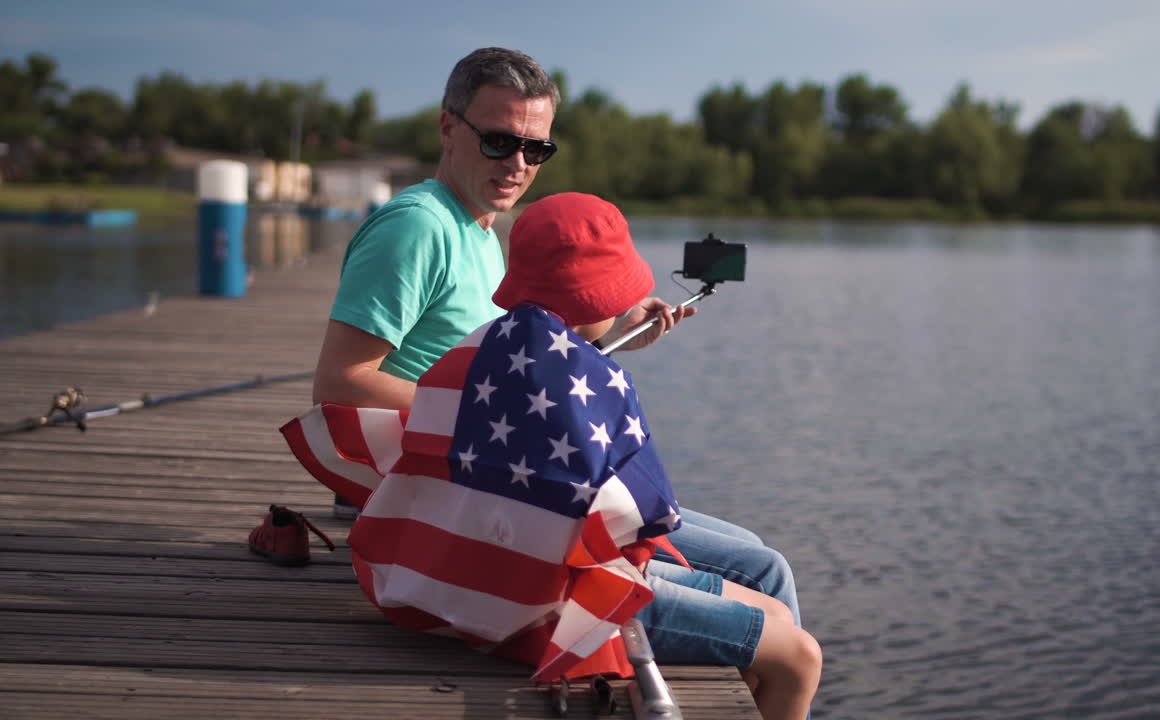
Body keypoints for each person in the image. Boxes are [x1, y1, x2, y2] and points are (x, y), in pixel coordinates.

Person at [309, 46, 803, 637]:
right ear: (448, 128)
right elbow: (339, 384)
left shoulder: (482, 230)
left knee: (749, 548)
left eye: (536, 148)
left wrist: (612, 336)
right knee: (764, 571)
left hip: (496, 478)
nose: (518, 163)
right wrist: (492, 420)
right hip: (457, 495)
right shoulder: (418, 227)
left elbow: (506, 375)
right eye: (499, 141)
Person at [287, 192, 820, 720]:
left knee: (765, 591)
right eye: (611, 297)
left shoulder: (479, 353)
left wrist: (613, 334)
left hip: (466, 569)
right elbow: (632, 519)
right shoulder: (568, 398)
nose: (617, 307)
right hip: (543, 603)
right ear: (591, 299)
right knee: (797, 650)